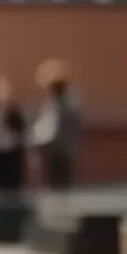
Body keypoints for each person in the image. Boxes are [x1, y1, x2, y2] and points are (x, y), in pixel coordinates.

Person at [32, 59, 80, 193]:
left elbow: (52, 130)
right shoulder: (52, 105)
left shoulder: (63, 106)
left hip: (59, 152)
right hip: (56, 152)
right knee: (54, 187)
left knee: (59, 187)